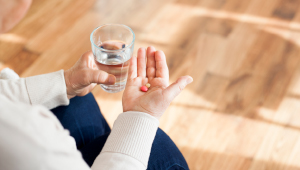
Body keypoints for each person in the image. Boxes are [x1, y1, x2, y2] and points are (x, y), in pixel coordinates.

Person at [0, 0, 193, 169]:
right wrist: (141, 116)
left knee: (77, 101)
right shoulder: (23, 135)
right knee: (159, 149)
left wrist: (66, 82)